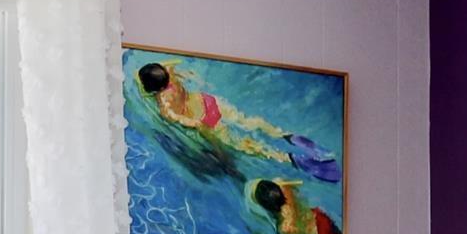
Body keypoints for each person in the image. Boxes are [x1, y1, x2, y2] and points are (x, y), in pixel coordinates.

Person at [135, 61, 340, 182]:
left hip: (205, 120)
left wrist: (209, 138)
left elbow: (183, 120)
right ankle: (286, 136)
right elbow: (179, 66)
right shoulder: (170, 75)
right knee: (250, 122)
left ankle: (289, 158)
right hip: (209, 102)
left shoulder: (163, 102)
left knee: (249, 146)